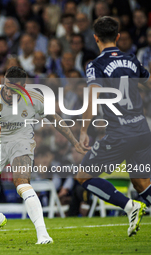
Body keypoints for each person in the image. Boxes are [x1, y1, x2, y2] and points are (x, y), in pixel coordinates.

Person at [0, 66, 86, 244]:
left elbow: (54, 118)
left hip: (21, 142)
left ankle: (43, 234)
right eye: (7, 87)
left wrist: (74, 142)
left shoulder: (35, 98)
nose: (9, 92)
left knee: (21, 183)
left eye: (15, 89)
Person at [76, 16, 151, 237]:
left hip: (120, 133)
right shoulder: (132, 60)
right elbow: (148, 83)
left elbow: (92, 99)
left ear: (95, 38)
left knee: (83, 175)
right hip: (141, 130)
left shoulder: (96, 65)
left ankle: (130, 206)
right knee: (141, 182)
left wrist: (83, 130)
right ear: (118, 37)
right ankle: (136, 203)